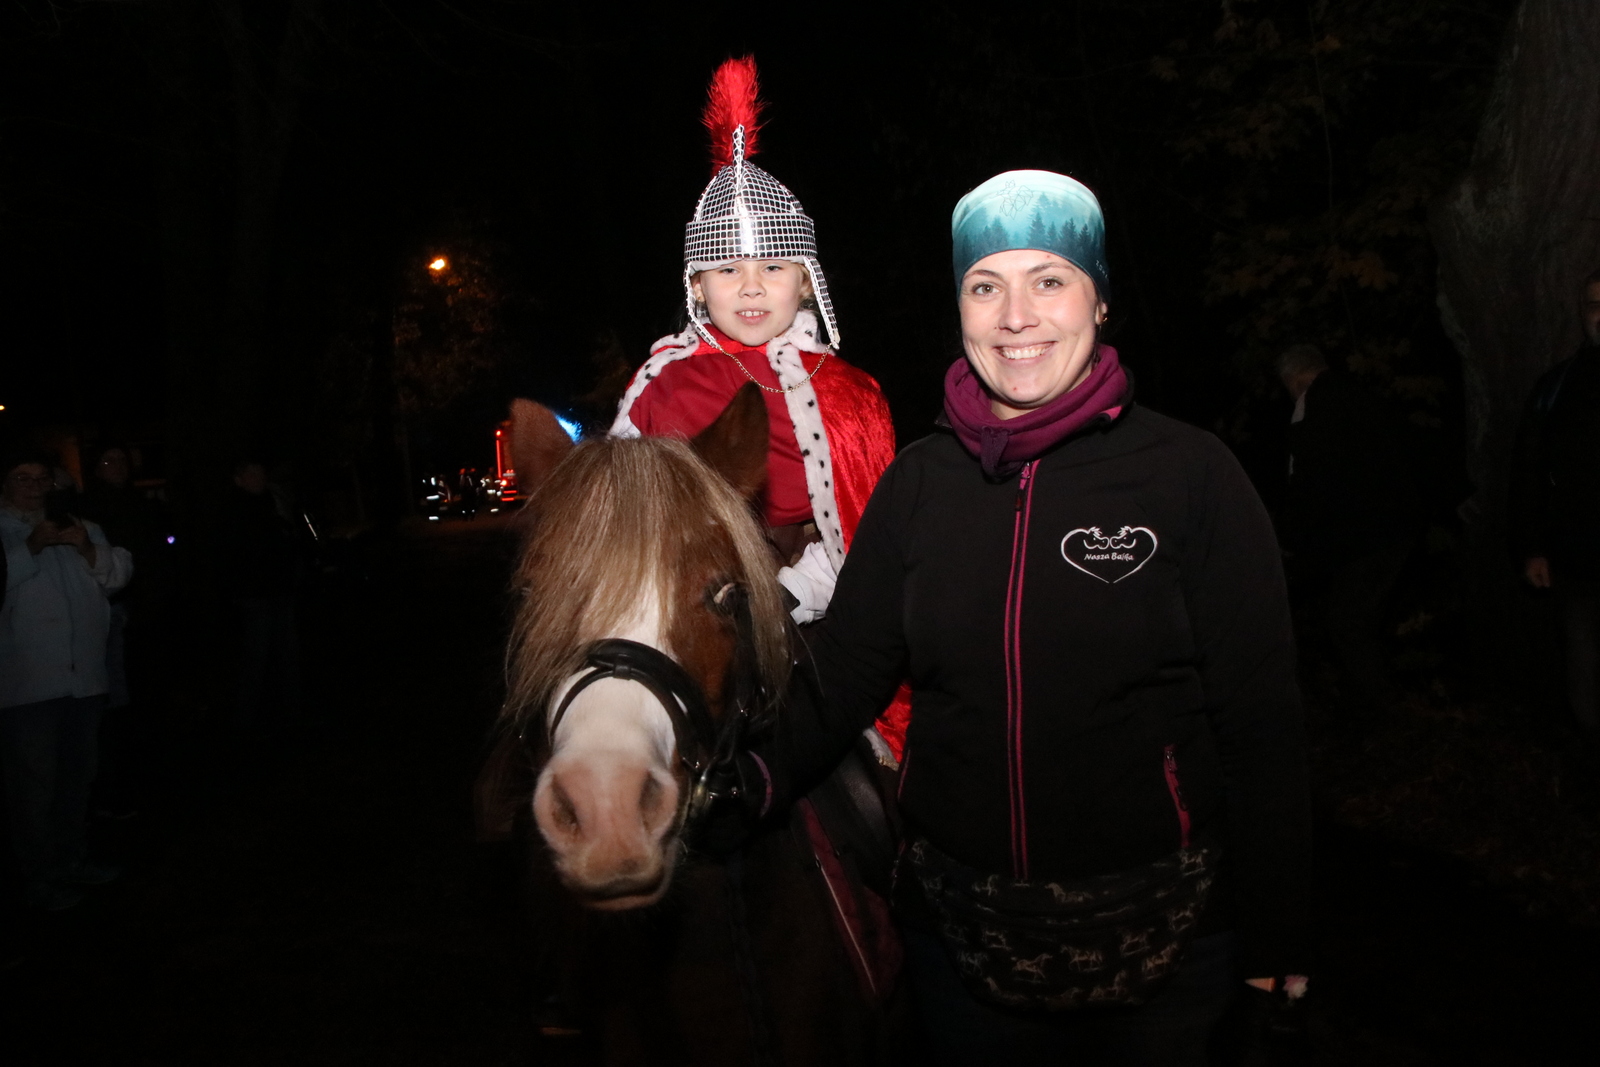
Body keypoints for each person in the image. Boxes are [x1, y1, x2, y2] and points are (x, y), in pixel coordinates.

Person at [734, 171, 1311, 1064]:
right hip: (962, 942)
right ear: (959, 308)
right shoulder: (919, 485)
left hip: (1165, 939)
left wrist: (1278, 931)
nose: (1016, 316)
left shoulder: (1191, 476)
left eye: (1049, 280)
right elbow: (844, 673)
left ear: (1100, 300)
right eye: (985, 285)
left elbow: (1261, 716)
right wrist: (748, 782)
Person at [609, 55, 909, 757]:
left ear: (806, 285)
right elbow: (620, 519)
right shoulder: (662, 381)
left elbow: (872, 539)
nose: (750, 288)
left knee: (869, 780)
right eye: (727, 270)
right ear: (697, 285)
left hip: (817, 616)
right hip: (678, 614)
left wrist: (790, 592)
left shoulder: (851, 393)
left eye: (773, 268)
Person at [0, 449, 133, 910]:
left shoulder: (79, 525)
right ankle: (41, 876)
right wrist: (31, 546)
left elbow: (117, 574)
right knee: (35, 787)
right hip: (26, 685)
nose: (35, 487)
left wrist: (86, 547)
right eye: (23, 478)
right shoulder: (5, 532)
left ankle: (72, 859)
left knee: (78, 778)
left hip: (84, 681)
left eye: (43, 480)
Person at [1276, 343, 1425, 717]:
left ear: (1293, 379)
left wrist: (1295, 541)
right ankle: (1383, 701)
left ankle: (1388, 710)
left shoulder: (1310, 406)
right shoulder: (1366, 397)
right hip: (1397, 528)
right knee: (1364, 618)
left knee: (1346, 624)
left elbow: (1307, 481)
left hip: (1362, 538)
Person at [1512, 267, 1600, 743]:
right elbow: (1528, 470)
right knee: (1584, 683)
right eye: (1595, 305)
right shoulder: (1558, 387)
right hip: (1578, 561)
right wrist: (1532, 547)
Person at [225, 459, 303, 740]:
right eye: (251, 473)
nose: (258, 477)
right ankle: (245, 722)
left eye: (261, 471)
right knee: (256, 656)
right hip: (255, 594)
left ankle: (291, 714)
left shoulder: (274, 502)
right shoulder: (235, 510)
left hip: (280, 590)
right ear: (239, 479)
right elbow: (238, 555)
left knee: (288, 654)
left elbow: (289, 539)